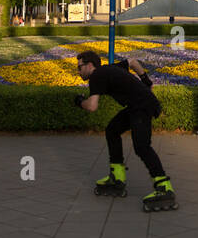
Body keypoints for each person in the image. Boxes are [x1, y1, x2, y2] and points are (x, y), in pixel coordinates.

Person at [73, 50, 177, 211]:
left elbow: (92, 106)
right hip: (138, 105)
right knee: (112, 130)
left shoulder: (96, 76)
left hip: (142, 106)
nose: (78, 71)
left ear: (90, 65)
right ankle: (117, 176)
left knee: (141, 146)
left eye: (79, 67)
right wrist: (146, 81)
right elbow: (133, 61)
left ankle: (164, 187)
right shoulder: (109, 69)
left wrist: (79, 102)